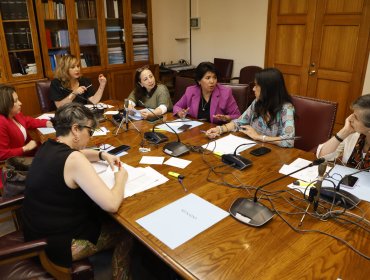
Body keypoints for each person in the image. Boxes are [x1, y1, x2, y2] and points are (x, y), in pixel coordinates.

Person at [22, 103, 132, 279]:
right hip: (56, 246)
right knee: (126, 233)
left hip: (36, 232)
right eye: (90, 131)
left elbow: (78, 154)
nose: (90, 136)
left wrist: (102, 155)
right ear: (75, 129)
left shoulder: (49, 145)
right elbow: (111, 204)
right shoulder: (74, 160)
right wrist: (120, 179)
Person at [206, 67, 295, 147]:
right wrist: (219, 129)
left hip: (275, 155)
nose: (253, 89)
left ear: (268, 89)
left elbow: (288, 140)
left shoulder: (286, 108)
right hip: (254, 148)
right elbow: (239, 122)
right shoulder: (257, 102)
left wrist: (258, 137)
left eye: (256, 85)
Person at [173, 62, 240, 124]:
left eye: (214, 77)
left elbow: (237, 116)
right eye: (208, 78)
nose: (212, 81)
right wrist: (180, 112)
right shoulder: (191, 91)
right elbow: (177, 106)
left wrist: (226, 118)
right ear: (199, 80)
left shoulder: (225, 93)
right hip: (195, 130)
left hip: (216, 132)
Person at [0, 85, 53, 161]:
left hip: (27, 156)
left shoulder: (15, 113)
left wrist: (47, 123)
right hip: (15, 164)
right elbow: (2, 154)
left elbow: (27, 121)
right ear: (5, 103)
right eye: (15, 101)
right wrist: (25, 148)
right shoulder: (1, 123)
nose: (20, 103)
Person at [316, 94, 370, 169]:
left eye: (356, 118)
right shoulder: (354, 133)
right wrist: (343, 132)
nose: (350, 118)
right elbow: (322, 157)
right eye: (353, 114)